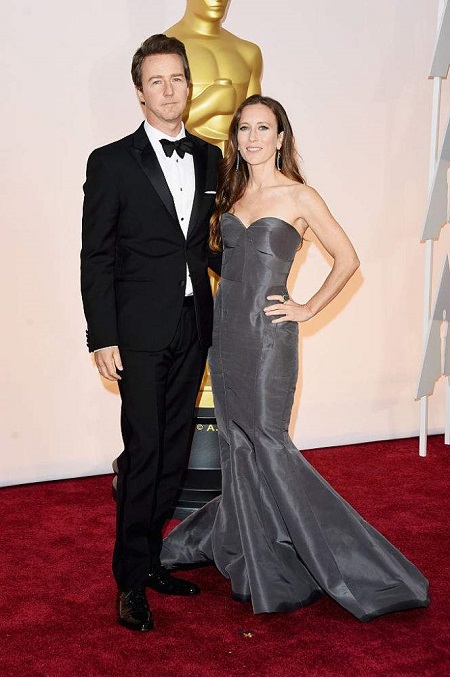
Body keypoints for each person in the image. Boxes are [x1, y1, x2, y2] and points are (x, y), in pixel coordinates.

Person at [161, 95, 430, 621]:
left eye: (264, 128)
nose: (253, 138)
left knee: (267, 440)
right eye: (244, 129)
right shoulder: (231, 195)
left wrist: (306, 306)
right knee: (237, 444)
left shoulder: (300, 196)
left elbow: (348, 257)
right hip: (225, 335)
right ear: (236, 138)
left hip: (266, 339)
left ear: (281, 137)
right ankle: (255, 555)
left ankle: (342, 559)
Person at [80, 34, 222, 631]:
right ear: (140, 93)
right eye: (156, 82)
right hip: (136, 333)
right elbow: (97, 256)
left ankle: (156, 558)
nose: (169, 91)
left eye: (177, 79)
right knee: (143, 454)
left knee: (175, 450)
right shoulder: (110, 161)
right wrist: (101, 336)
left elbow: (209, 246)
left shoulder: (212, 157)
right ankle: (130, 580)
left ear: (190, 86)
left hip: (194, 326)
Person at [166, 0, 262, 150]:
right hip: (185, 165)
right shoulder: (162, 52)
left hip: (236, 168)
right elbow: (159, 121)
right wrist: (209, 103)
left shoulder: (248, 52)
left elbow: (255, 122)